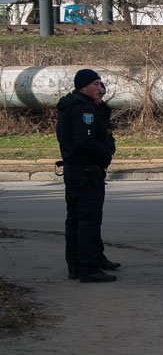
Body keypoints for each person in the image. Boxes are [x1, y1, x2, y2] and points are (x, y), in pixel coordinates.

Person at [55, 69, 119, 283]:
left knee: (78, 219)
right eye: (96, 84)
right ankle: (89, 268)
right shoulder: (83, 110)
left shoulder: (75, 105)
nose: (101, 88)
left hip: (76, 171)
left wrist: (100, 106)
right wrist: (106, 154)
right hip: (85, 171)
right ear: (84, 87)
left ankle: (81, 263)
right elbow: (86, 141)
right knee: (88, 220)